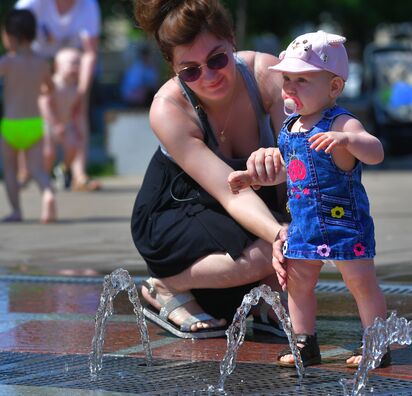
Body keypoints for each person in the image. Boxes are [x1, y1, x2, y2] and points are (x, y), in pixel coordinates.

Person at [228, 31, 390, 368]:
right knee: (297, 282)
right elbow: (291, 169)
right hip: (304, 224)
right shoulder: (290, 128)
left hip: (344, 222)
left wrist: (348, 140)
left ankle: (376, 343)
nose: (290, 87)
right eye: (287, 79)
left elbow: (376, 152)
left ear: (334, 87)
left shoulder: (341, 122)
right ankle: (304, 343)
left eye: (302, 80)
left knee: (360, 282)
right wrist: (254, 178)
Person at [130, 0, 289, 339]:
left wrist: (284, 170)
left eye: (217, 59)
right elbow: (232, 195)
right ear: (173, 68)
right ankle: (166, 283)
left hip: (236, 210)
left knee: (310, 233)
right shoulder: (168, 108)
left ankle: (263, 288)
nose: (209, 76)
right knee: (278, 250)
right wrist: (279, 235)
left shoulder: (266, 76)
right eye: (191, 70)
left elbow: (306, 167)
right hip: (177, 209)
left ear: (232, 40)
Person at [15, 0, 101, 192]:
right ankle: (24, 171)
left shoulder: (88, 6)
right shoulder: (31, 3)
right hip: (36, 58)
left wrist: (81, 90)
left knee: (79, 115)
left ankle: (79, 174)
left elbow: (89, 53)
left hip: (70, 62)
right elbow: (16, 35)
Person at [0, 9, 56, 223]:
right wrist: (41, 91)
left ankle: (16, 211)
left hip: (11, 125)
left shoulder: (7, 62)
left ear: (11, 36)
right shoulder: (41, 63)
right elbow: (49, 88)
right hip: (34, 123)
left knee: (11, 172)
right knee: (36, 169)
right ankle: (48, 193)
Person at [42, 47, 83, 190]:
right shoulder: (52, 84)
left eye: (78, 64)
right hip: (49, 124)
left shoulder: (75, 87)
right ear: (57, 66)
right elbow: (44, 104)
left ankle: (62, 169)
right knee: (49, 152)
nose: (76, 68)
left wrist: (76, 126)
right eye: (72, 64)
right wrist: (55, 123)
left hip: (66, 124)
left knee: (73, 147)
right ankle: (45, 177)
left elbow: (75, 109)